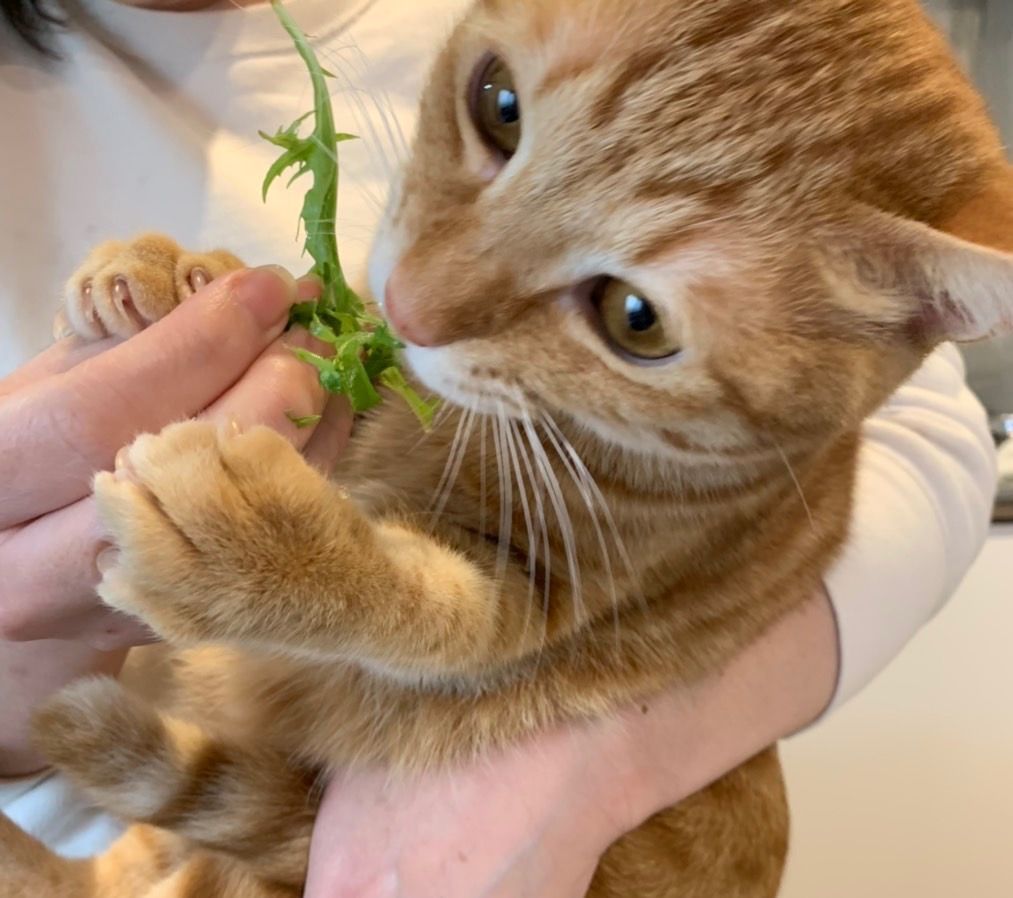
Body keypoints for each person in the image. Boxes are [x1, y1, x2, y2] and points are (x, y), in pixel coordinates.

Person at [0, 0, 999, 895]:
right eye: (502, 113)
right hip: (173, 795)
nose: (418, 300)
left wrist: (607, 763)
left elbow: (929, 436)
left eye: (633, 313)